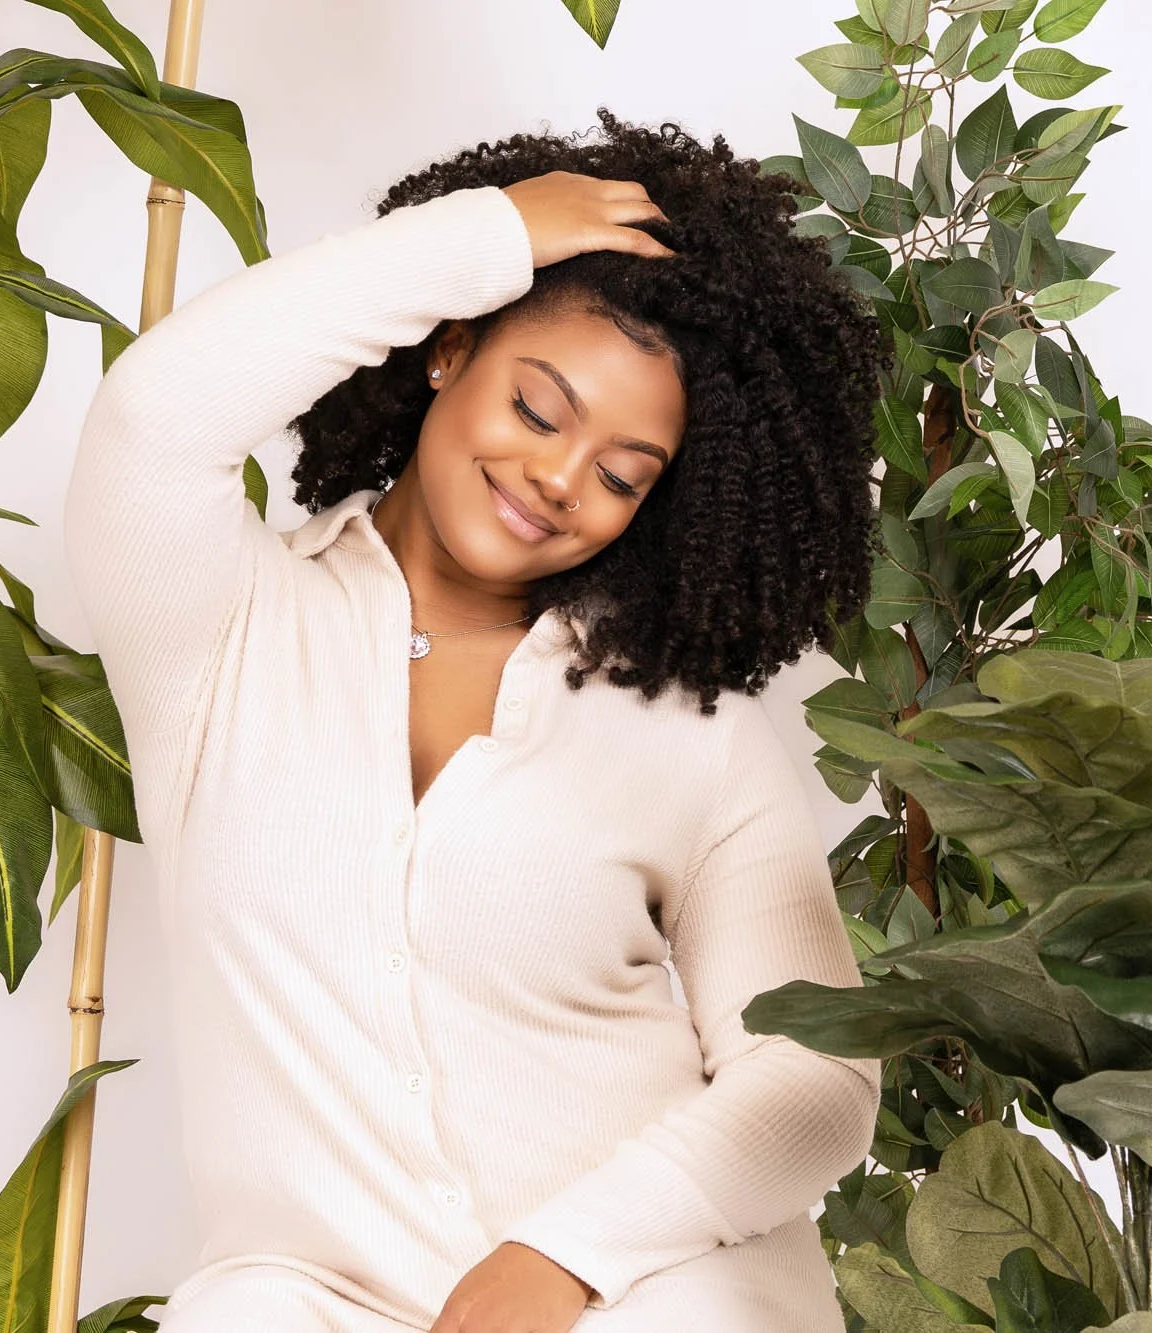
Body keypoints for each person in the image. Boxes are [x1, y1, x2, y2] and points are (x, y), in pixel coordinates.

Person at [62, 108, 890, 1333]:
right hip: (316, 1304)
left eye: (621, 473)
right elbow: (154, 415)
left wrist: (561, 1260)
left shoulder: (689, 729)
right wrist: (489, 236)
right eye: (538, 408)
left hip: (655, 1297)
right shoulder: (219, 630)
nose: (557, 479)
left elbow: (818, 1076)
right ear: (448, 349)